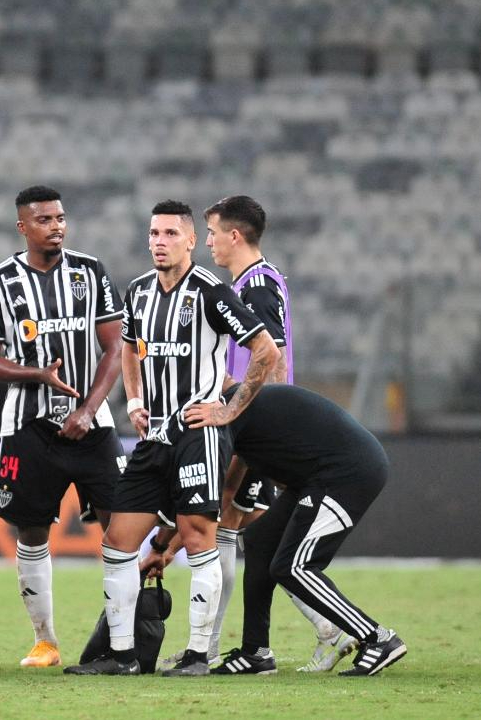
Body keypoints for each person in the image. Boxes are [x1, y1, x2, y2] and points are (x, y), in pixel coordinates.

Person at [67, 200, 279, 677]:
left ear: (189, 240)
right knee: (118, 542)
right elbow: (129, 347)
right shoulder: (139, 291)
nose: (158, 242)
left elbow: (264, 350)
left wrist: (229, 409)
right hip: (153, 438)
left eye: (169, 234)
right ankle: (121, 657)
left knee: (199, 537)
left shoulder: (212, 292)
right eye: (153, 233)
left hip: (197, 437)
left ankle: (199, 655)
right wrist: (136, 399)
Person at [0, 186, 126, 668]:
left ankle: (121, 638)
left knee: (122, 528)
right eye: (44, 220)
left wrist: (87, 409)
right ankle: (46, 641)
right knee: (32, 531)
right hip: (28, 426)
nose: (56, 226)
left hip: (94, 424)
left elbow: (114, 350)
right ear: (23, 226)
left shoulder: (90, 271)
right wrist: (37, 374)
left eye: (60, 217)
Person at [201, 195, 352, 671]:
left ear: (235, 235)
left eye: (211, 233)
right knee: (260, 539)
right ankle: (324, 629)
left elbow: (274, 359)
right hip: (258, 421)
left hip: (257, 423)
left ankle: (208, 646)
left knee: (226, 524)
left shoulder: (258, 287)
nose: (207, 242)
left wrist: (239, 408)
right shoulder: (256, 281)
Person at [169, 382, 405, 676]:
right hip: (315, 476)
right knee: (257, 541)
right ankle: (256, 653)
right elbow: (229, 484)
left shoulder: (224, 411)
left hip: (345, 472)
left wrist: (164, 546)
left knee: (293, 567)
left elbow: (215, 494)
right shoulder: (233, 408)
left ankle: (378, 638)